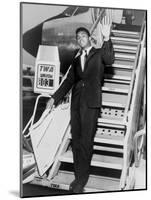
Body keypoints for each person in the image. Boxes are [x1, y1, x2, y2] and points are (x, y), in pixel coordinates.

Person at [46, 11, 114, 193]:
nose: (80, 38)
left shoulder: (99, 54)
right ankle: (78, 176)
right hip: (76, 105)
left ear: (90, 38)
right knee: (76, 142)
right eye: (78, 37)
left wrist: (107, 38)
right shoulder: (76, 60)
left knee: (86, 142)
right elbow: (68, 81)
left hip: (91, 104)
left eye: (83, 35)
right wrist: (54, 98)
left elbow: (110, 59)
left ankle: (82, 180)